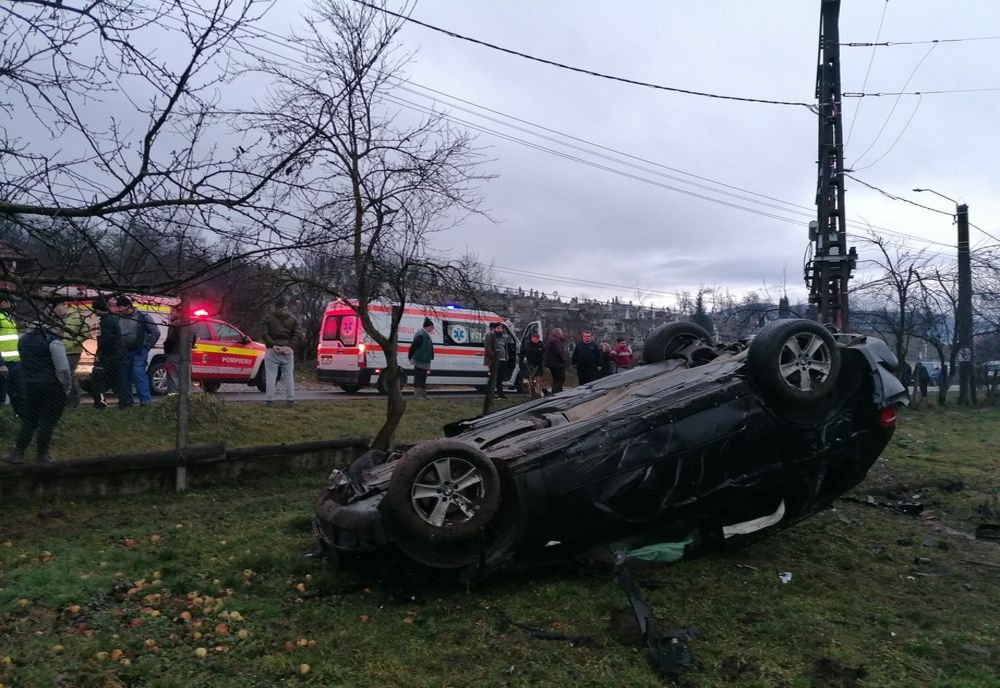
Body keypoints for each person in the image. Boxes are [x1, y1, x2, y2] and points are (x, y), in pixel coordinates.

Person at [4, 317, 72, 464]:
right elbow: (63, 369)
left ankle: (17, 453)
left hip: (30, 385)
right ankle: (42, 455)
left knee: (29, 421)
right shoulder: (53, 342)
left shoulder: (23, 341)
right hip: (52, 387)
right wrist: (66, 388)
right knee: (47, 422)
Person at [115, 295, 160, 408]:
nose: (119, 310)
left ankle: (145, 402)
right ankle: (127, 402)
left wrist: (147, 346)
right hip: (125, 351)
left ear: (128, 306)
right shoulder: (118, 318)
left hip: (139, 351)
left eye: (120, 307)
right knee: (124, 376)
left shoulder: (143, 317)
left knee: (138, 374)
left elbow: (155, 332)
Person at [262, 298, 301, 406]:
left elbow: (264, 334)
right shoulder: (293, 319)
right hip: (287, 351)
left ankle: (269, 400)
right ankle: (290, 400)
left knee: (271, 376)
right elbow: (297, 334)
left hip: (272, 351)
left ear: (275, 306)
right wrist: (289, 346)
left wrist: (273, 345)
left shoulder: (268, 318)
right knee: (288, 376)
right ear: (285, 306)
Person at [89, 296, 123, 410]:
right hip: (113, 355)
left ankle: (100, 404)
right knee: (114, 380)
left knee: (96, 380)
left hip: (107, 356)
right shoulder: (110, 320)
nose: (94, 312)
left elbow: (105, 341)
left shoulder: (106, 322)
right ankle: (123, 402)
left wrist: (99, 354)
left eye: (95, 309)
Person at [53, 300, 86, 407]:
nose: (55, 312)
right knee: (62, 374)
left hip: (72, 351)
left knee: (68, 374)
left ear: (62, 305)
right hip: (60, 349)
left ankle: (73, 400)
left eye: (56, 309)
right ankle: (66, 399)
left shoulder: (76, 317)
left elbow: (86, 332)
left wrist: (75, 342)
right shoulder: (57, 319)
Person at [0, 296, 23, 417]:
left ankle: (19, 415)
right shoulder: (1, 318)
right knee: (3, 393)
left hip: (15, 361)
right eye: (9, 302)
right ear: (3, 302)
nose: (12, 304)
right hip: (4, 363)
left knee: (18, 391)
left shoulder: (9, 318)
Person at [408, 317, 435, 400]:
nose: (432, 328)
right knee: (419, 378)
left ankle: (423, 395)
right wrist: (410, 356)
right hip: (420, 360)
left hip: (424, 360)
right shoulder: (421, 335)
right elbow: (413, 346)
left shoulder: (424, 335)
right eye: (432, 327)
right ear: (428, 326)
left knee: (423, 378)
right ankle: (417, 395)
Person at [483, 322, 510, 399]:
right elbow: (488, 348)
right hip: (494, 361)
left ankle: (501, 394)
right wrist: (494, 356)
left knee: (500, 378)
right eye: (498, 328)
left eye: (501, 328)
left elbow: (505, 348)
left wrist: (506, 356)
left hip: (503, 360)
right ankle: (491, 394)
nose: (500, 330)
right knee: (493, 378)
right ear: (494, 329)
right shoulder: (490, 336)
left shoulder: (503, 338)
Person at [520, 331, 545, 399]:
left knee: (538, 380)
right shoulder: (528, 344)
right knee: (531, 380)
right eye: (534, 337)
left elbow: (543, 351)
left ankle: (538, 393)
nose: (536, 339)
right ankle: (532, 393)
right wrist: (537, 350)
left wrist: (537, 351)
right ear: (531, 338)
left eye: (537, 338)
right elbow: (528, 351)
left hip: (538, 366)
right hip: (530, 365)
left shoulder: (541, 344)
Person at [162, 307, 182, 394]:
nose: (171, 313)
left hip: (173, 354)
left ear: (179, 312)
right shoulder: (190, 324)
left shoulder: (175, 324)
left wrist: (166, 351)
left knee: (172, 376)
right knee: (184, 376)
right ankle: (184, 397)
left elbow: (170, 340)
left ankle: (173, 397)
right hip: (185, 355)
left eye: (173, 311)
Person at [543, 327, 567, 394]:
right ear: (558, 333)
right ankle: (556, 392)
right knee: (560, 378)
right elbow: (559, 352)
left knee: (556, 379)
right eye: (561, 333)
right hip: (557, 363)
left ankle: (557, 392)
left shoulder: (550, 340)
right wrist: (564, 360)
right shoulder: (556, 341)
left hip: (551, 363)